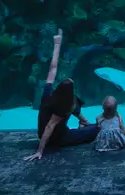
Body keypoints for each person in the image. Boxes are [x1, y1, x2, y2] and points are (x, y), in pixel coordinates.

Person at [26, 29, 98, 160]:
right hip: (57, 139)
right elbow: (49, 127)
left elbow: (53, 68)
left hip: (44, 133)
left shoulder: (48, 94)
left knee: (74, 101)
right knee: (98, 128)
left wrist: (57, 44)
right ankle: (85, 125)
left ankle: (84, 121)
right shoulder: (62, 108)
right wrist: (40, 151)